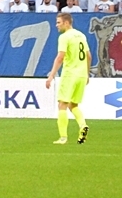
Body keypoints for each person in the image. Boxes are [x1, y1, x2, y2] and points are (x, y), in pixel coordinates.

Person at [44, 11, 89, 145]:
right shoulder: (81, 35)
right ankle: (83, 125)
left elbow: (60, 57)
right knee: (73, 104)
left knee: (62, 104)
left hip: (70, 74)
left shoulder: (64, 37)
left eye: (58, 22)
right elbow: (89, 55)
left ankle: (63, 137)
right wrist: (87, 73)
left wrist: (51, 75)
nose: (56, 25)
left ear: (66, 22)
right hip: (81, 74)